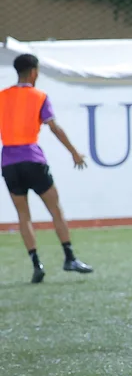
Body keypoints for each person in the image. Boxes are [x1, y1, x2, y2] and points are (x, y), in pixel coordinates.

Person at [0, 53, 93, 283]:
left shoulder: (2, 97)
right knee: (55, 208)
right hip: (32, 159)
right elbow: (54, 128)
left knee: (23, 214)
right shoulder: (39, 96)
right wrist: (74, 152)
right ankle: (69, 257)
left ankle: (36, 264)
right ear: (34, 72)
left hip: (9, 162)